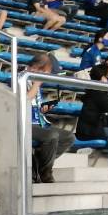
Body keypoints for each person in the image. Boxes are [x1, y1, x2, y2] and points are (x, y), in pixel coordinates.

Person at [26, 56, 72, 184]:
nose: (46, 77)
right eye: (45, 73)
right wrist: (36, 85)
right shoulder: (20, 78)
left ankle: (38, 162)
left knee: (68, 137)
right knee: (52, 136)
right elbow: (24, 99)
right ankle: (45, 172)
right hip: (25, 123)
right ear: (35, 68)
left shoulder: (35, 81)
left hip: (39, 122)